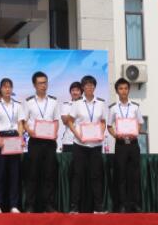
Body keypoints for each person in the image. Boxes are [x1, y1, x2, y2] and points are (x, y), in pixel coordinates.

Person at [67, 75, 107, 214]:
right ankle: (74, 207)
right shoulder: (77, 103)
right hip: (80, 144)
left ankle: (98, 208)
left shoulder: (101, 103)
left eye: (92, 85)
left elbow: (103, 122)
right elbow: (70, 121)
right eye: (87, 85)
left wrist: (101, 133)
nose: (89, 87)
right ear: (83, 88)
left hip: (95, 145)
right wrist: (78, 135)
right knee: (78, 175)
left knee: (96, 176)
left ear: (95, 87)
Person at [23, 71, 59, 213]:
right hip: (35, 142)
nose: (43, 86)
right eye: (40, 83)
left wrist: (55, 132)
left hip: (49, 143)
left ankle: (48, 205)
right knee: (32, 174)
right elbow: (24, 121)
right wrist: (29, 131)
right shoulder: (29, 102)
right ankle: (30, 205)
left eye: (45, 82)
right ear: (34, 85)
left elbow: (56, 121)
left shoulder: (54, 101)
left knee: (49, 174)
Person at [107, 77, 143, 213]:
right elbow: (109, 126)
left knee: (134, 174)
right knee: (120, 174)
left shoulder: (135, 106)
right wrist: (116, 135)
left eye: (126, 88)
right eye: (121, 88)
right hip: (121, 144)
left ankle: (135, 204)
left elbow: (139, 123)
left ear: (129, 90)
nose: (123, 91)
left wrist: (136, 132)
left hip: (133, 144)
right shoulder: (113, 108)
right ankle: (121, 204)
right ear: (117, 91)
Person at [0, 78, 24, 213]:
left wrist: (20, 137)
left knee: (14, 173)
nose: (7, 89)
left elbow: (21, 123)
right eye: (5, 87)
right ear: (1, 90)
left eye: (10, 87)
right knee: (0, 173)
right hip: (2, 139)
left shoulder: (18, 106)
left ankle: (13, 205)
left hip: (14, 138)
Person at [61, 82, 83, 152]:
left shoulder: (86, 105)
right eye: (73, 90)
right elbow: (65, 121)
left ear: (81, 92)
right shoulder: (66, 105)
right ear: (70, 92)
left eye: (77, 90)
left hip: (83, 140)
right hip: (68, 140)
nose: (75, 92)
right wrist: (75, 107)